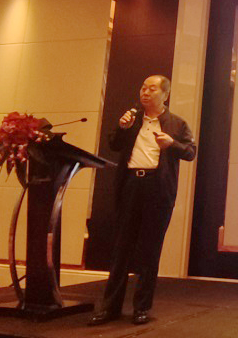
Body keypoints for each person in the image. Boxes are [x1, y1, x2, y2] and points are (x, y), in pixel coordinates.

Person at [89, 75, 196, 326]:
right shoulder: (131, 119)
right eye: (143, 88)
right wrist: (121, 128)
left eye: (152, 89)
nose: (145, 92)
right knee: (121, 248)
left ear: (165, 95)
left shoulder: (177, 124)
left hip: (158, 189)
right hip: (130, 186)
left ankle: (141, 308)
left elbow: (190, 152)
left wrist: (172, 144)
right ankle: (110, 308)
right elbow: (114, 144)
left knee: (150, 250)